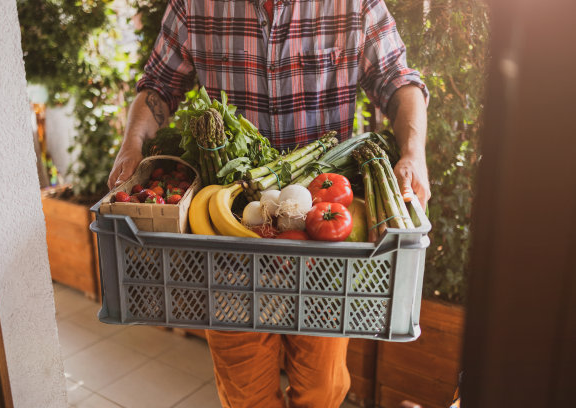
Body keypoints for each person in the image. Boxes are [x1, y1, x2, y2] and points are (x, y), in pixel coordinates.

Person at [108, 1, 430, 407]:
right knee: (245, 395)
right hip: (228, 239)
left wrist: (413, 153)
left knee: (322, 390)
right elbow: (159, 84)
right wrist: (131, 144)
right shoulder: (194, 5)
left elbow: (398, 79)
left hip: (323, 243)